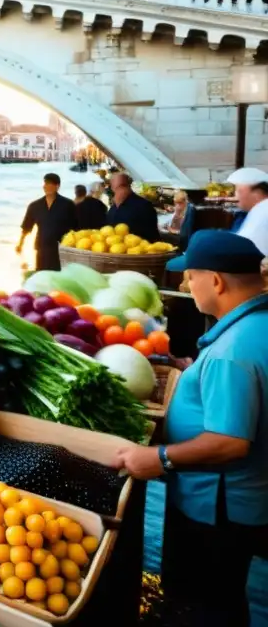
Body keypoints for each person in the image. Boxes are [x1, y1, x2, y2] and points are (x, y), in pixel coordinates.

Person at [114, 230, 268, 627]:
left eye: (191, 276)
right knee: (224, 593)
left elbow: (230, 442)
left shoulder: (232, 353)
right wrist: (194, 372)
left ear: (216, 281)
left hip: (216, 508)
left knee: (203, 599)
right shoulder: (256, 326)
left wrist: (159, 457)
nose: (185, 284)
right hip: (247, 502)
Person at [16, 173, 78, 272]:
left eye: (48, 183)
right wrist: (20, 244)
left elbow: (76, 228)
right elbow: (26, 227)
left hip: (62, 249)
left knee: (59, 280)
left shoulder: (68, 205)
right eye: (44, 183)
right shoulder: (35, 206)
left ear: (57, 186)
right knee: (42, 278)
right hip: (41, 248)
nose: (45, 186)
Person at [106, 172, 159, 243]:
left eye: (123, 186)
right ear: (112, 188)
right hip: (115, 249)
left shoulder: (144, 205)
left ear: (129, 185)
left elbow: (151, 235)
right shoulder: (114, 207)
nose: (121, 190)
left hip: (137, 250)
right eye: (117, 188)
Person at [227, 167, 268, 254]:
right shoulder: (259, 209)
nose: (234, 196)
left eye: (237, 191)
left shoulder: (263, 211)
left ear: (257, 193)